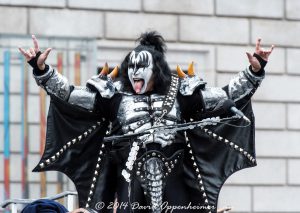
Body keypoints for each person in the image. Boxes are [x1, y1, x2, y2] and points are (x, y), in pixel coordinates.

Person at [19, 31, 274, 213]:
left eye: (142, 66)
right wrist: (43, 71)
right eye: (131, 66)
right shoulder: (114, 94)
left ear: (156, 68)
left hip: (173, 174)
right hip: (129, 175)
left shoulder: (181, 93)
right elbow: (72, 96)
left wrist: (254, 71)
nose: (135, 72)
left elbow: (226, 96)